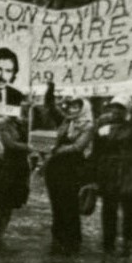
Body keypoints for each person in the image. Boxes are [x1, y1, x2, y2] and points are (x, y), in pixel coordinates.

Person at [92, 98, 132, 254]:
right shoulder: (104, 121)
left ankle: (128, 237)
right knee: (108, 204)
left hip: (130, 168)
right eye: (113, 107)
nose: (116, 111)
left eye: (120, 107)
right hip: (108, 168)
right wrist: (93, 170)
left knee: (129, 203)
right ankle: (108, 240)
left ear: (128, 109)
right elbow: (96, 147)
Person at [42, 92, 93, 253]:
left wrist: (60, 150)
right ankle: (58, 235)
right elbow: (51, 108)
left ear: (83, 108)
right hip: (55, 168)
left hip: (72, 167)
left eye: (76, 106)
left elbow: (79, 146)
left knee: (69, 202)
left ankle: (71, 238)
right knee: (56, 201)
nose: (72, 109)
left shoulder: (89, 125)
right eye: (71, 106)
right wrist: (51, 90)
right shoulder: (65, 121)